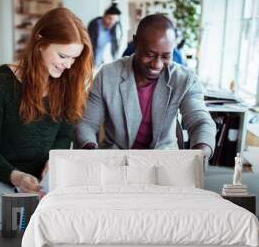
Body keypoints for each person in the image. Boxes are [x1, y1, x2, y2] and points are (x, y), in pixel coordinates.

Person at [0, 8, 93, 197]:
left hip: (43, 184)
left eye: (74, 58)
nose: (69, 65)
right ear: (40, 42)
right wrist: (16, 176)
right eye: (62, 56)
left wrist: (53, 161)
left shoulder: (68, 82)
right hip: (0, 181)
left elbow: (64, 135)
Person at [75, 13, 216, 159]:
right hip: (116, 160)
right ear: (135, 43)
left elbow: (200, 121)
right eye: (149, 54)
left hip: (164, 161)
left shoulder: (185, 79)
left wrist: (201, 152)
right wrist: (90, 150)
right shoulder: (108, 75)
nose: (157, 64)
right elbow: (87, 123)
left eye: (166, 56)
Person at [88, 0, 122, 68]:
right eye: (109, 18)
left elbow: (114, 46)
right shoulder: (94, 26)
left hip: (99, 63)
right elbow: (89, 45)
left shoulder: (113, 29)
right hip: (89, 62)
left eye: (114, 20)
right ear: (104, 15)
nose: (111, 22)